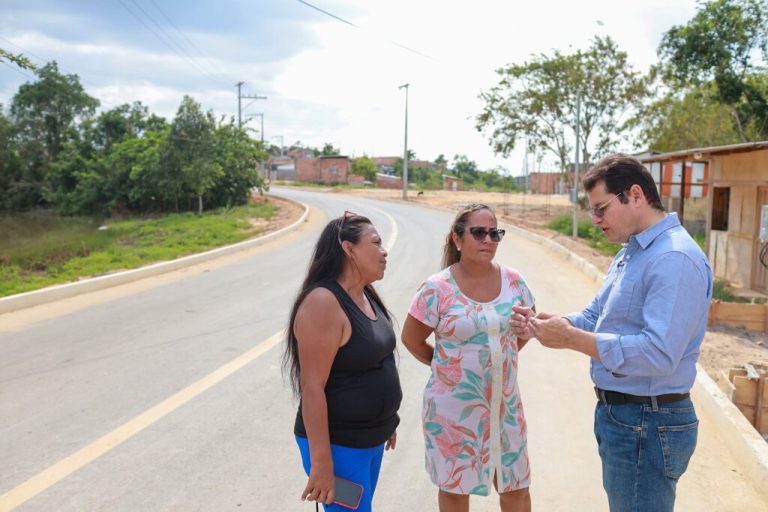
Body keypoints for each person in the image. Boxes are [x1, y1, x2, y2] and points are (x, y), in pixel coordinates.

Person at [513, 154, 713, 512]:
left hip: (647, 422)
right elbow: (597, 315)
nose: (596, 220)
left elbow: (658, 353)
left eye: (601, 208)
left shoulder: (673, 258)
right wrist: (550, 326)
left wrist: (571, 340)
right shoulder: (633, 252)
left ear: (635, 194)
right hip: (628, 418)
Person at [402, 203, 535, 512]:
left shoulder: (515, 282)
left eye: (495, 233)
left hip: (506, 409)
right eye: (478, 232)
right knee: (455, 492)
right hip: (452, 414)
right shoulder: (436, 289)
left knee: (516, 489)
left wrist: (501, 354)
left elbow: (524, 332)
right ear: (457, 239)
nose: (488, 239)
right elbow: (411, 339)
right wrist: (450, 368)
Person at [283, 211, 402, 512]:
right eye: (375, 243)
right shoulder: (323, 303)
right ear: (349, 249)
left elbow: (375, 362)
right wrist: (321, 463)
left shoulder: (364, 294)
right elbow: (312, 387)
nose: (384, 251)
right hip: (340, 448)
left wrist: (386, 420)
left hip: (369, 441)